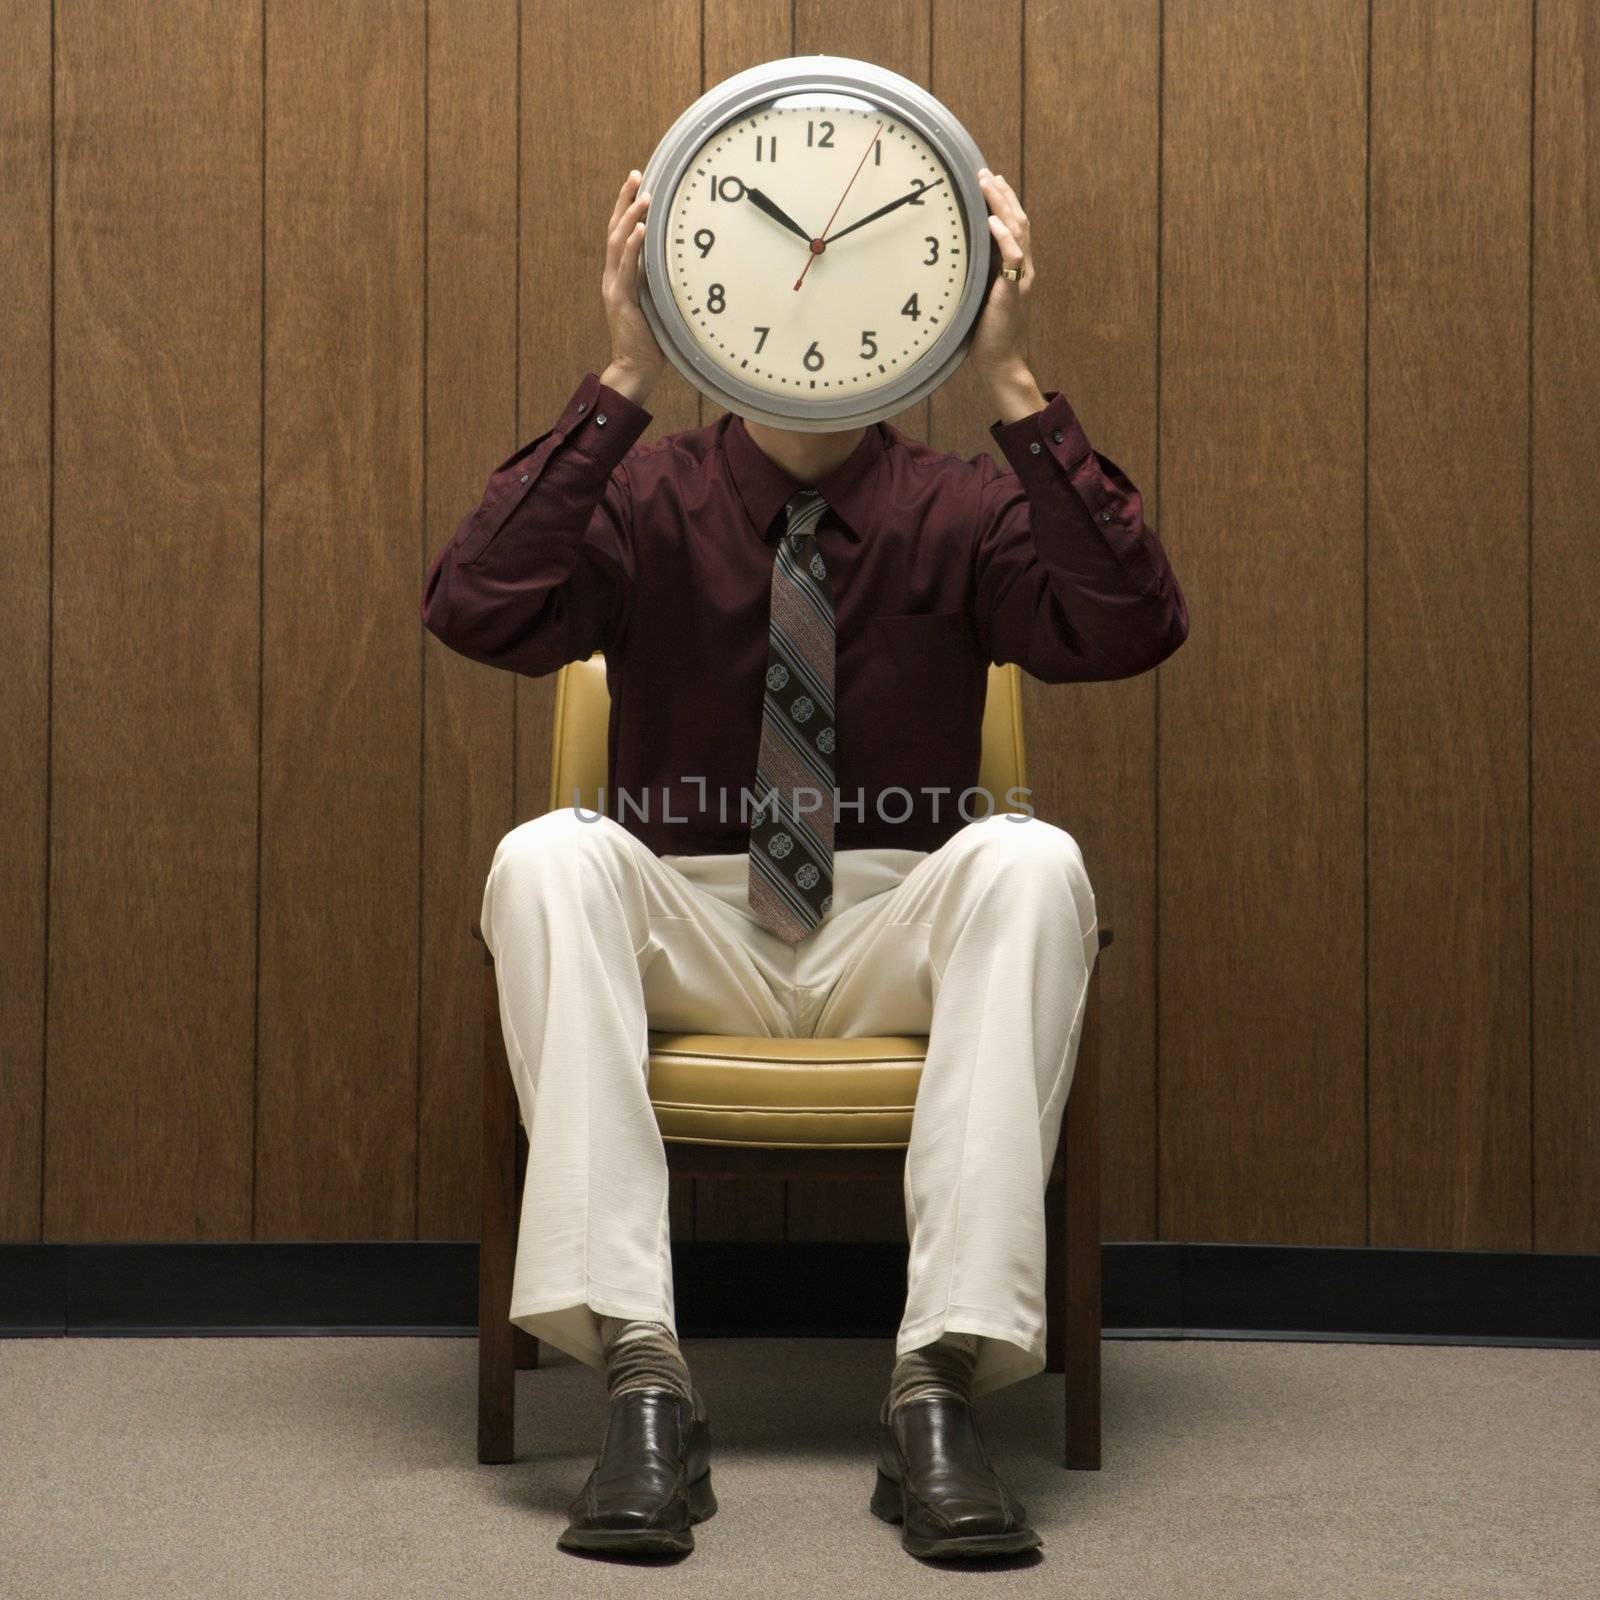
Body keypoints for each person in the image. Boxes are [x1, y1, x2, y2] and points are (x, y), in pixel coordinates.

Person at [421, 165, 1187, 1562]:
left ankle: (936, 1385)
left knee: (1031, 861)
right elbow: (477, 604)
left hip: (895, 920)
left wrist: (1015, 386)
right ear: (717, 316)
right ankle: (644, 1379)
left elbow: (1132, 623)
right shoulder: (645, 494)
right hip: (695, 917)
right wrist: (622, 372)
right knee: (545, 857)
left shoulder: (963, 505)